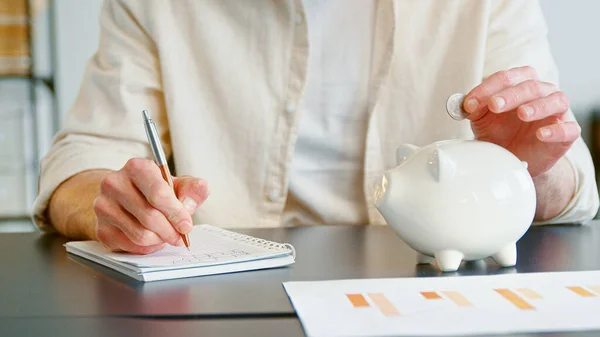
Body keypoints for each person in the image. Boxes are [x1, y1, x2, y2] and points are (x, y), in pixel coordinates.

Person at [33, 0, 599, 254]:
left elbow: (572, 185)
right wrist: (112, 204)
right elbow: (81, 161)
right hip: (217, 297)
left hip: (428, 296)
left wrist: (529, 170)